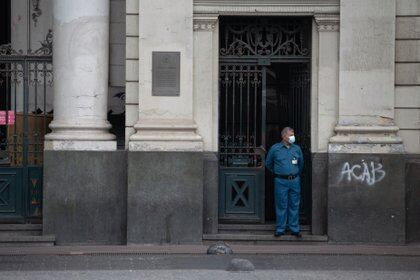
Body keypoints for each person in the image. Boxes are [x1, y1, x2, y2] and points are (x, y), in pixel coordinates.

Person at [265, 127, 304, 238]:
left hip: (294, 180)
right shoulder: (275, 148)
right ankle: (280, 229)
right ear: (284, 136)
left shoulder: (296, 149)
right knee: (281, 205)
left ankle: (294, 228)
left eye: (293, 134)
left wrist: (295, 173)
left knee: (294, 204)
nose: (293, 137)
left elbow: (301, 164)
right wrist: (279, 173)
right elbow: (268, 163)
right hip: (280, 181)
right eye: (290, 135)